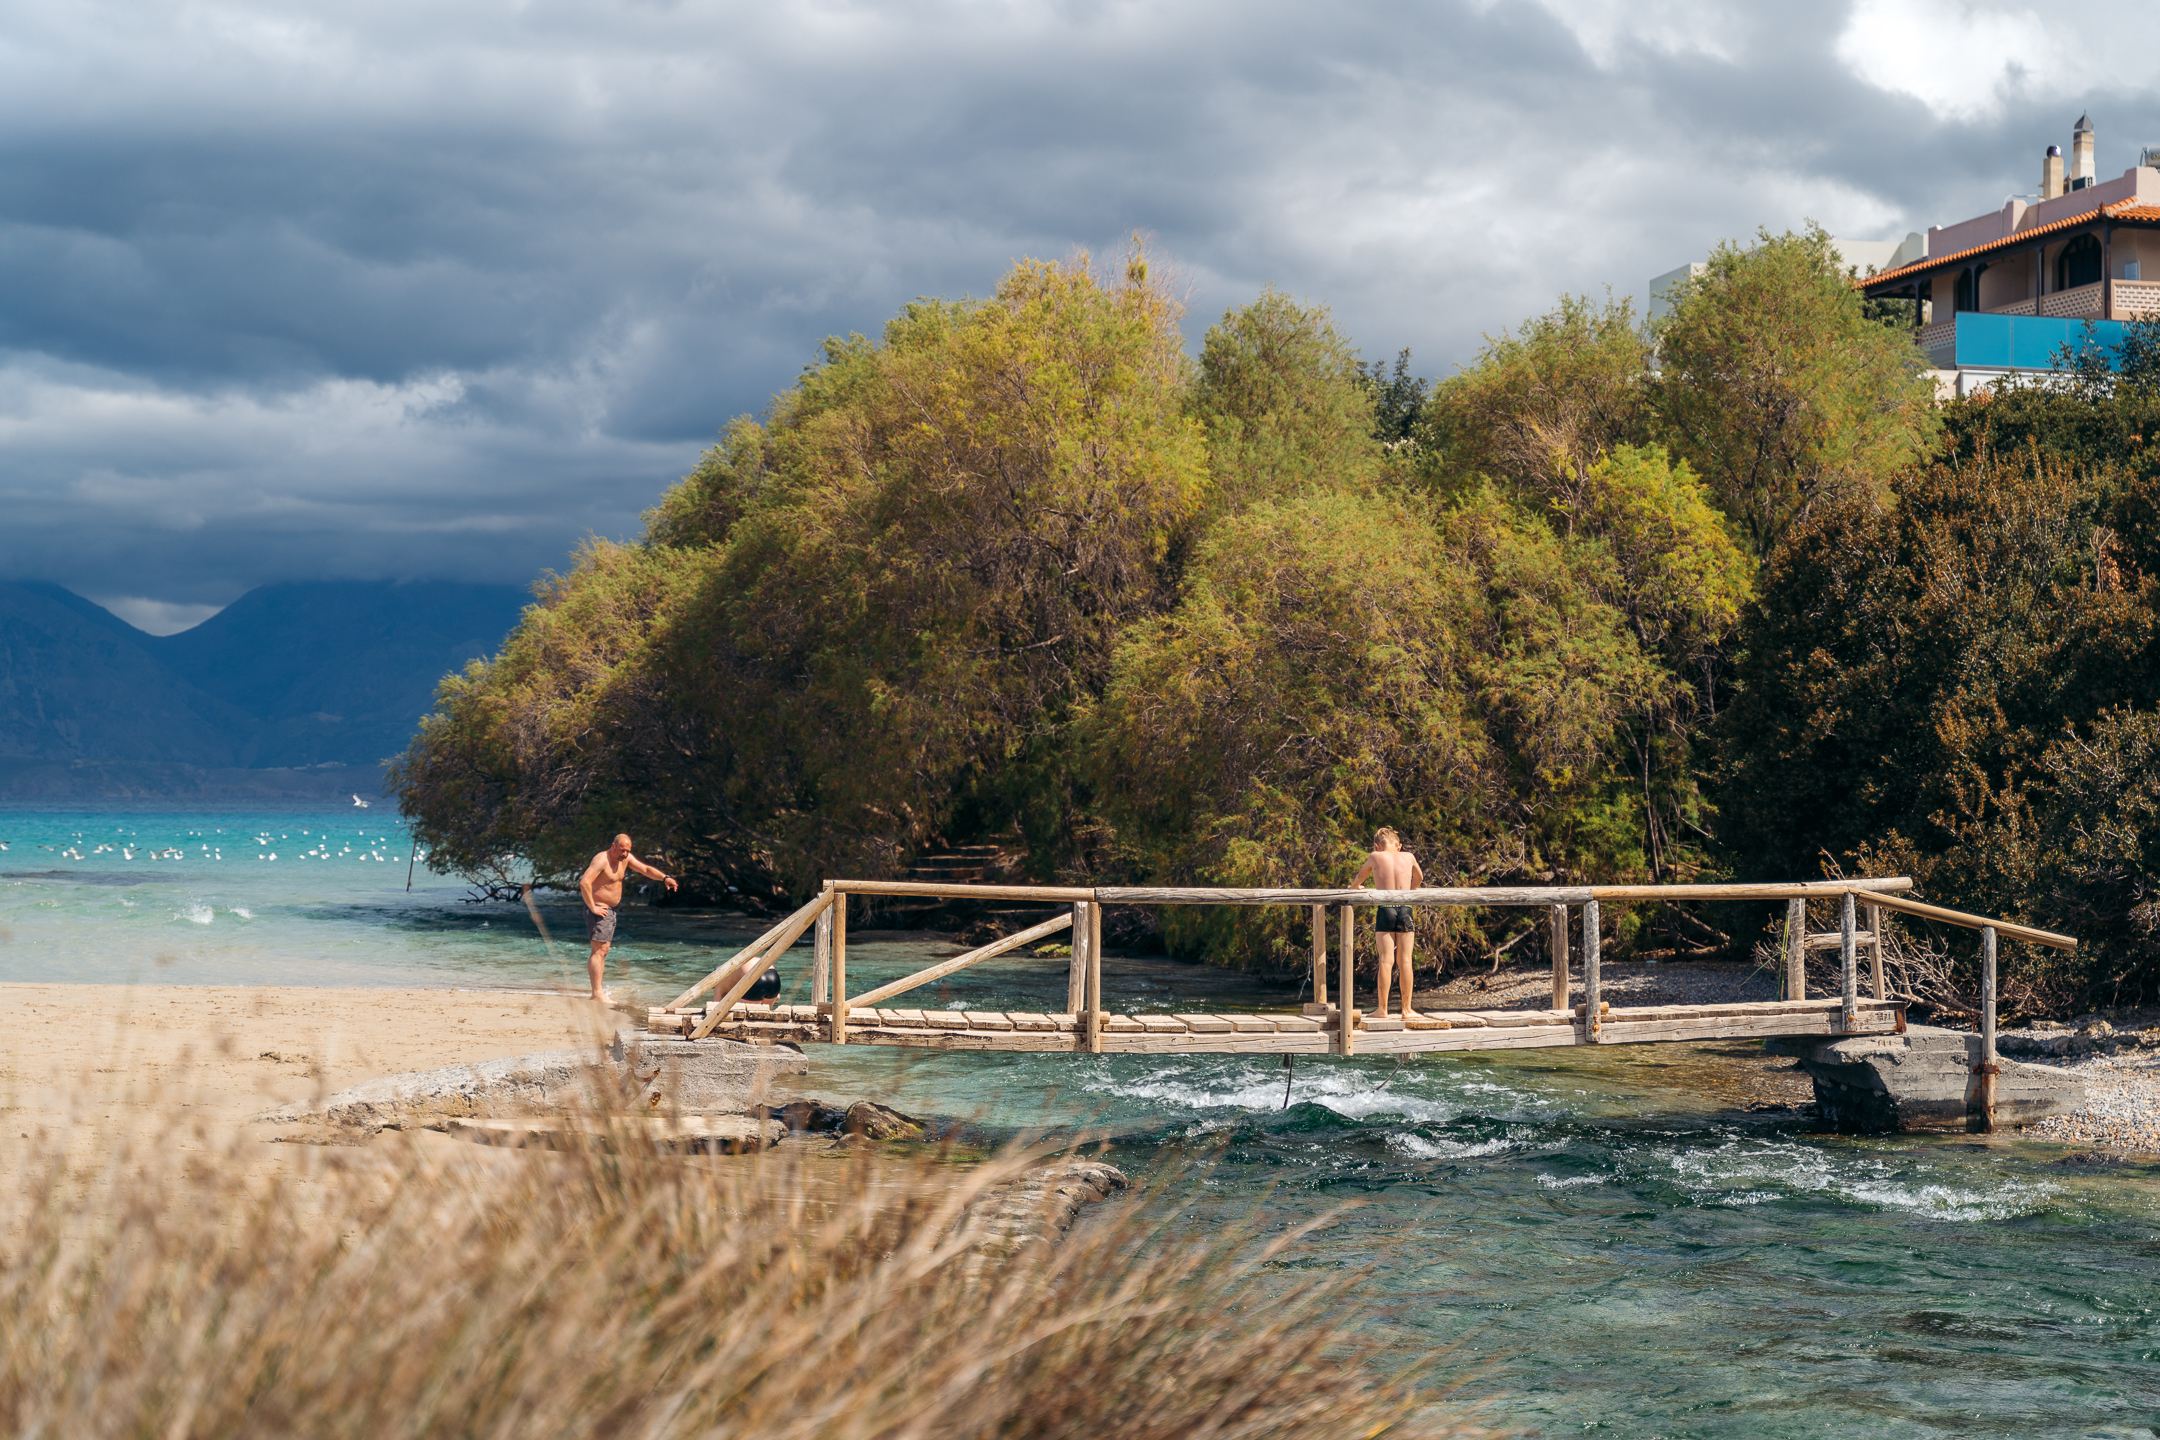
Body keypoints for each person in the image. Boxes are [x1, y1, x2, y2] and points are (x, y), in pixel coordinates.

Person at [578, 834, 678, 1003]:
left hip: (609, 911)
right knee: (599, 951)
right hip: (599, 910)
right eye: (622, 850)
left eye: (627, 851)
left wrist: (665, 877)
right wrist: (593, 907)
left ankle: (598, 991)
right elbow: (584, 882)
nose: (624, 854)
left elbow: (645, 869)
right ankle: (597, 994)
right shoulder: (601, 860)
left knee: (604, 950)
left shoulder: (625, 859)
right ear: (613, 846)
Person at [1348, 827, 1424, 1021]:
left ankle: (1382, 1009)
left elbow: (1361, 876)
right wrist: (1410, 890)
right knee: (1405, 960)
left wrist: (1355, 887)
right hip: (1405, 908)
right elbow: (1419, 878)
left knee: (1385, 961)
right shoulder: (1409, 856)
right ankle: (1407, 1010)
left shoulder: (1375, 856)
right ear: (1399, 846)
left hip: (1386, 909)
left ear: (1377, 846)